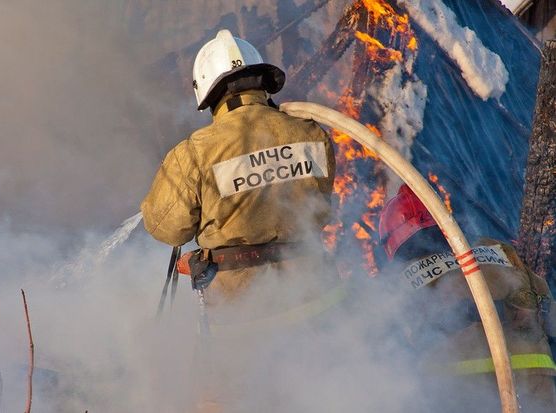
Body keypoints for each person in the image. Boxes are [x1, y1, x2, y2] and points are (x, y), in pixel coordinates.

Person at [141, 29, 339, 412]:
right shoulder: (311, 132)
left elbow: (166, 227)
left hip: (242, 314)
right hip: (316, 298)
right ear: (261, 82)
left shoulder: (194, 153)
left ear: (209, 93)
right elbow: (315, 206)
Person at [378, 184, 556, 412]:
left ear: (393, 243)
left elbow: (383, 354)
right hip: (535, 387)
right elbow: (550, 316)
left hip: (459, 395)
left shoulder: (397, 284)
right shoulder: (497, 249)